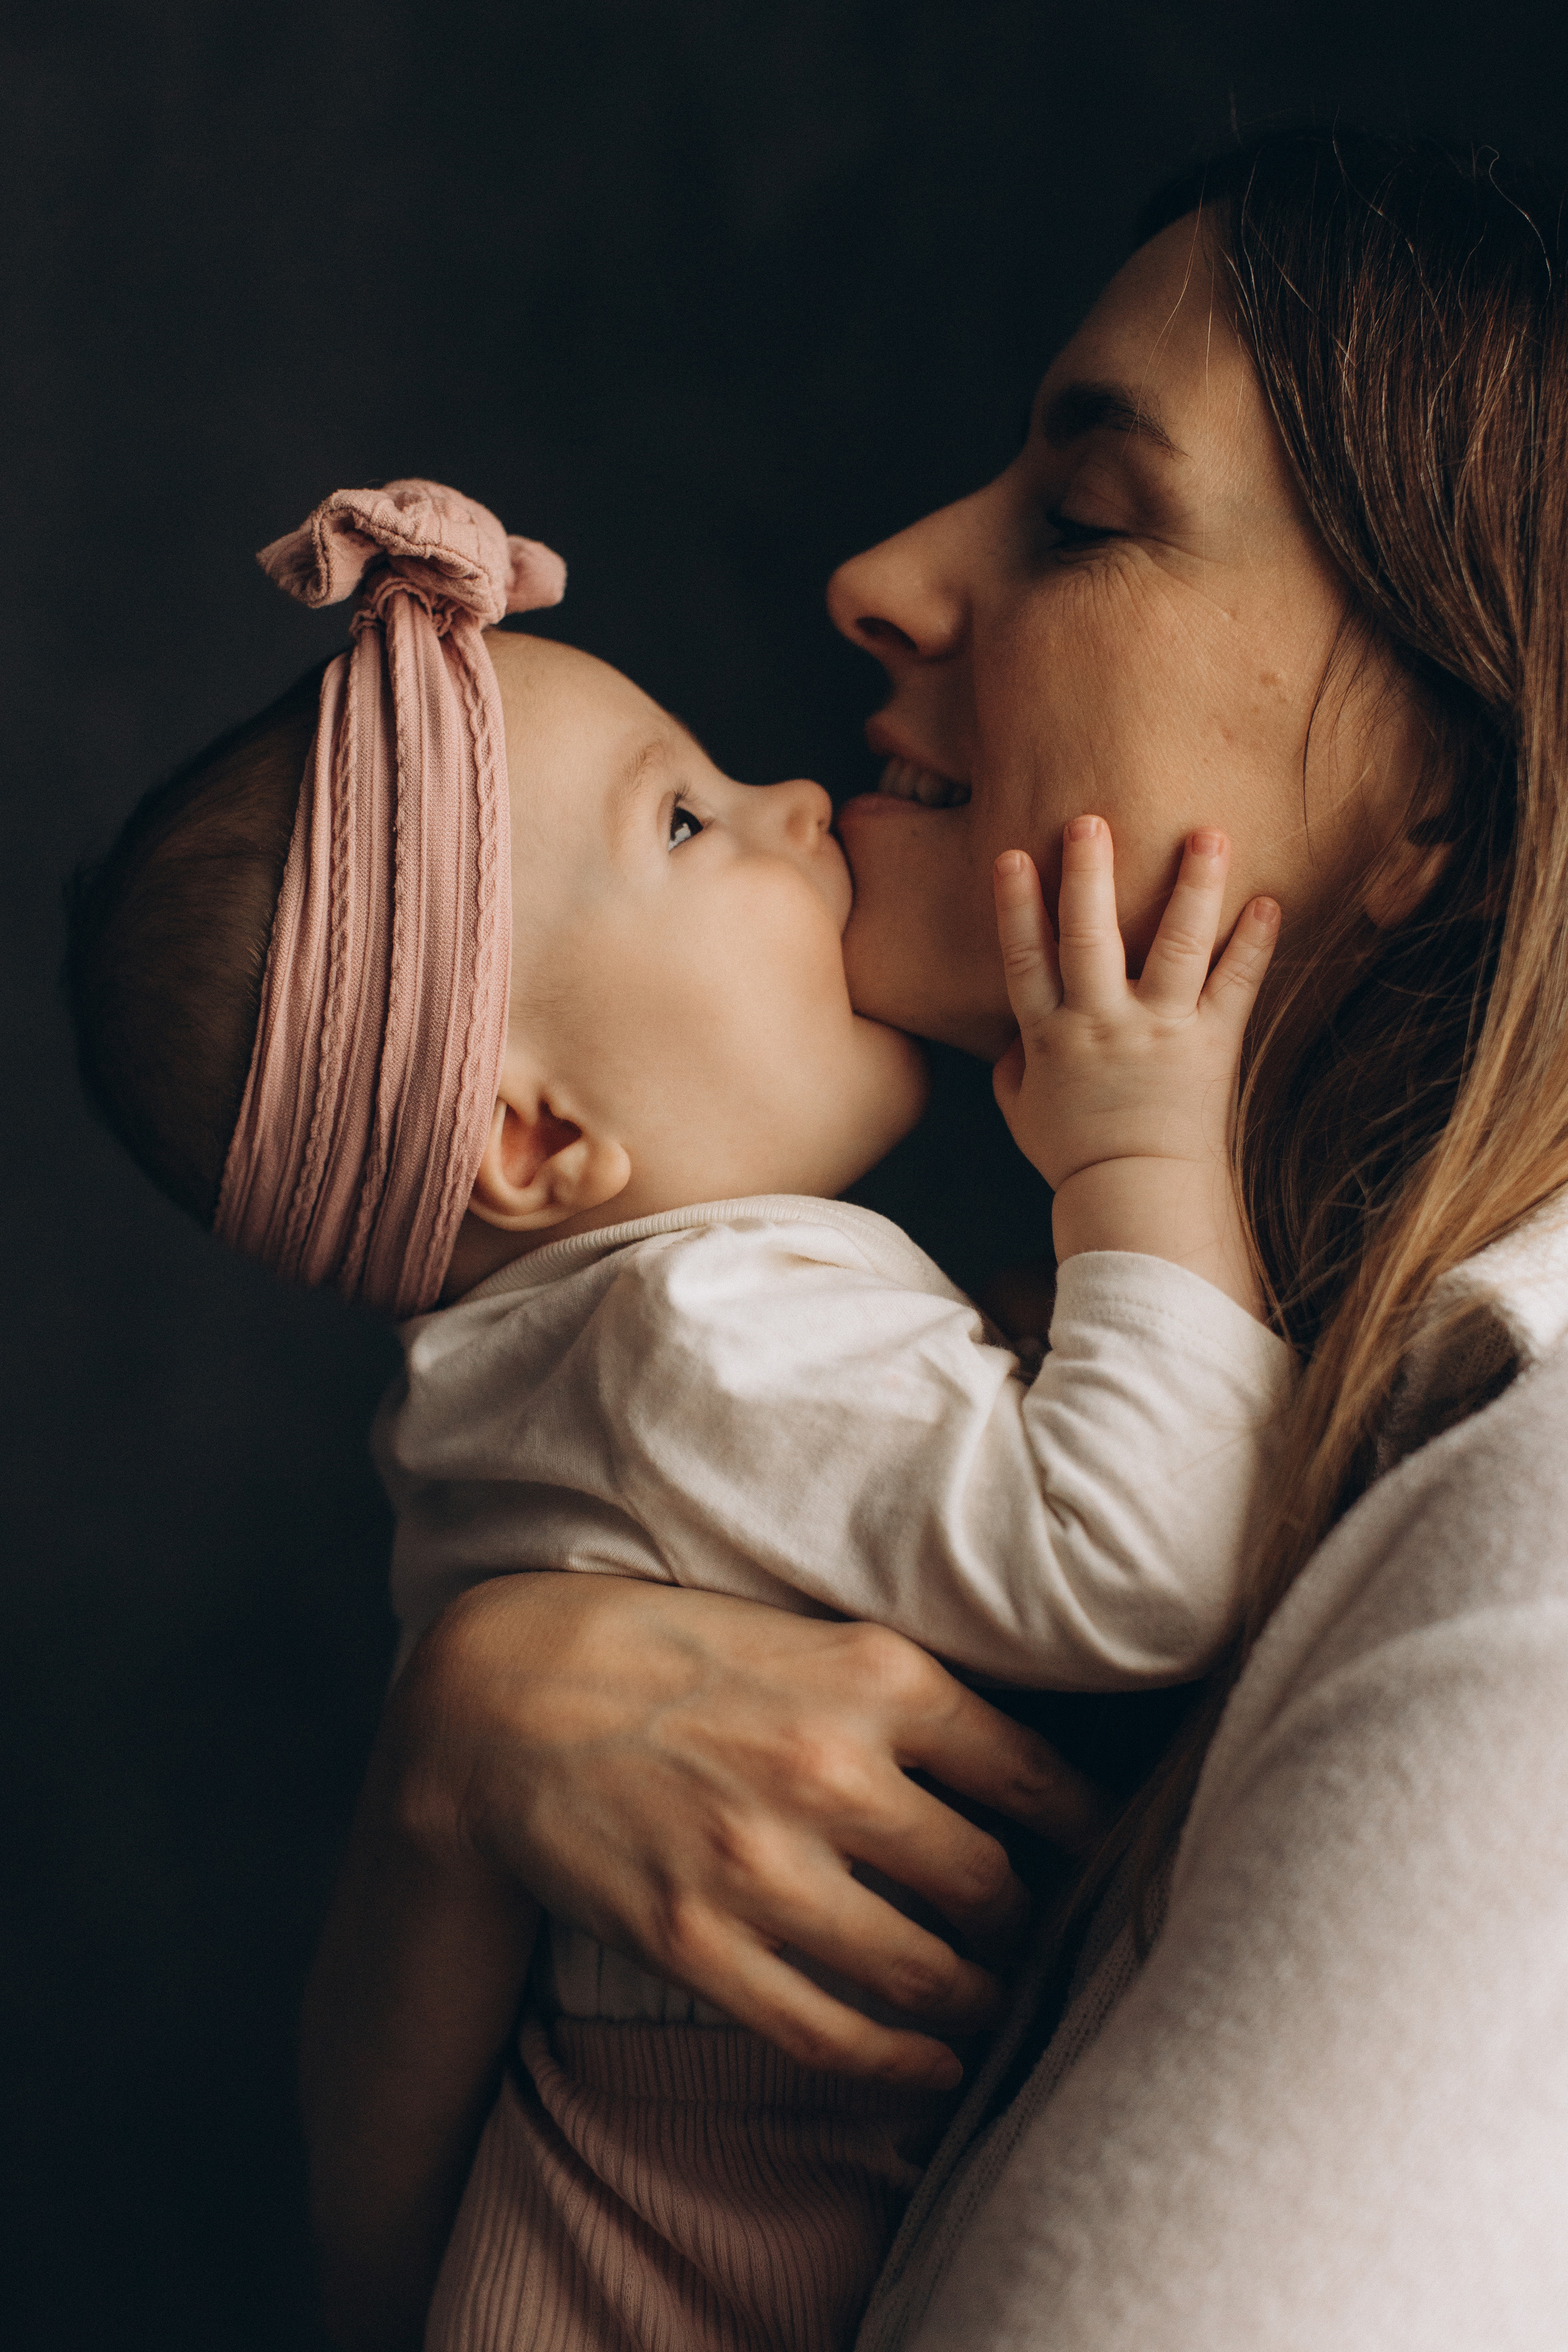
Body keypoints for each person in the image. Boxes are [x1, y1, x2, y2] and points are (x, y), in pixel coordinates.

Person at [288, 126, 1568, 2350]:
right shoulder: (956, 1366)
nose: (879, 575)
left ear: (1445, 787)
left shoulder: (1528, 1560)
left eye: (1086, 512)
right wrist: (456, 1762)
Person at [66, 464, 1291, 2349]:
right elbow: (1138, 1562)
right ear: (538, 1138)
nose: (805, 804)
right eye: (694, 821)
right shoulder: (700, 1328)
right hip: (729, 2221)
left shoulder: (557, 1374)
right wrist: (1144, 1149)